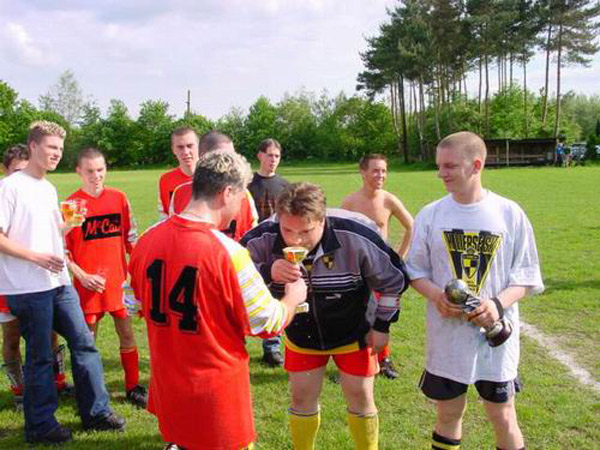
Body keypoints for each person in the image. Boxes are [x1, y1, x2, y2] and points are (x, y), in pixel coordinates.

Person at [129, 149, 307, 450]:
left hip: (169, 385)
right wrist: (292, 298)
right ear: (227, 193)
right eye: (241, 196)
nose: (241, 205)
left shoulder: (147, 239)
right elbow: (267, 321)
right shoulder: (229, 252)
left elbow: (133, 301)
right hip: (216, 397)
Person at [241, 182, 408, 450]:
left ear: (322, 219)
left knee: (360, 396)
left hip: (354, 331)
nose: (295, 240)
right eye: (287, 230)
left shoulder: (357, 233)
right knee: (301, 398)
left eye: (305, 231)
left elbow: (394, 280)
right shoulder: (262, 237)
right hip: (300, 333)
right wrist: (267, 271)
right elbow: (232, 278)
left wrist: (382, 326)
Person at [405, 131, 544, 450]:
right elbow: (415, 271)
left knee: (503, 415)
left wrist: (496, 304)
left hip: (495, 340)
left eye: (450, 166)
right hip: (447, 339)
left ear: (476, 165)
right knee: (448, 414)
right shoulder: (431, 214)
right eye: (439, 165)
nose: (441, 173)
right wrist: (436, 296)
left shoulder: (509, 213)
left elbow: (525, 275)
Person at [0, 121, 124, 445]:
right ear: (33, 146)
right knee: (41, 355)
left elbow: (50, 233)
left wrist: (68, 226)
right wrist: (35, 257)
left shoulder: (48, 188)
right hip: (27, 287)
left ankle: (96, 413)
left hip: (59, 282)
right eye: (51, 147)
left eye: (60, 149)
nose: (56, 153)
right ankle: (40, 426)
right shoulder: (10, 187)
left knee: (84, 343)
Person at [65, 147, 147, 408]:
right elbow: (63, 249)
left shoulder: (118, 198)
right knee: (87, 342)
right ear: (79, 171)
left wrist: (137, 272)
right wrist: (82, 275)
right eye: (89, 171)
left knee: (127, 334)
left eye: (100, 169)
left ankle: (133, 386)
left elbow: (131, 239)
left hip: (118, 283)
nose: (96, 175)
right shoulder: (73, 205)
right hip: (88, 286)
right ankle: (88, 392)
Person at [0, 144, 73, 410]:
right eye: (16, 171)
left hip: (41, 280)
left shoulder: (42, 189)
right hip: (7, 281)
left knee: (49, 333)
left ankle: (58, 381)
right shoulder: (5, 192)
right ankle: (20, 391)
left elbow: (49, 233)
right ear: (5, 170)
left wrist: (67, 226)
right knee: (11, 337)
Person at [341, 153, 414, 379]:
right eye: (375, 170)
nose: (380, 175)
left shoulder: (388, 200)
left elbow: (411, 226)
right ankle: (352, 361)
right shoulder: (350, 202)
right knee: (356, 314)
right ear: (363, 172)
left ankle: (384, 360)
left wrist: (399, 257)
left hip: (381, 269)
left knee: (383, 314)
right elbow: (339, 235)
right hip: (356, 269)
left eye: (383, 170)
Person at [169, 131, 258, 241]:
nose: (233, 163)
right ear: (203, 157)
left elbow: (252, 238)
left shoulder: (242, 194)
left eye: (233, 156)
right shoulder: (180, 193)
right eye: (225, 158)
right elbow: (173, 235)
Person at [247, 138, 290, 367]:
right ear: (260, 156)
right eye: (269, 155)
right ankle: (238, 343)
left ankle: (272, 347)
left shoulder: (285, 186)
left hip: (277, 248)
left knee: (275, 294)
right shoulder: (248, 184)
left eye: (277, 156)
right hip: (252, 247)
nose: (273, 160)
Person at [157, 127, 200, 220]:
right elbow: (165, 216)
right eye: (180, 147)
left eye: (189, 146)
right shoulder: (166, 180)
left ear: (199, 146)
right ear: (173, 149)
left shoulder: (214, 176)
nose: (185, 152)